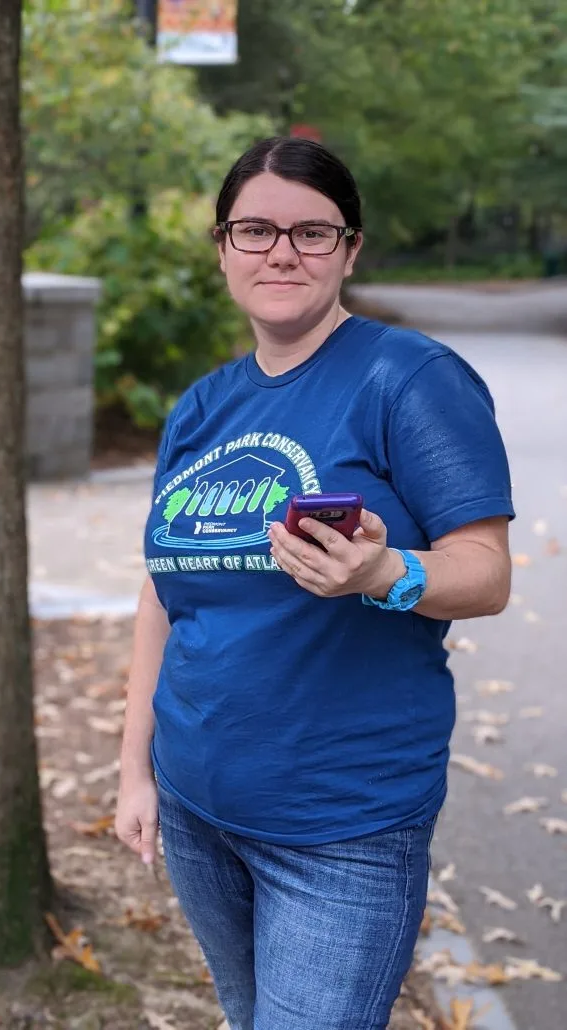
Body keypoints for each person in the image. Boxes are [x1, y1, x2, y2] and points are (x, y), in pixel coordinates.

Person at [115, 136, 514, 1030]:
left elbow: (485, 574)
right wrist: (133, 770)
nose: (281, 251)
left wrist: (383, 572)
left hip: (343, 825)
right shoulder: (201, 408)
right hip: (195, 807)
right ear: (222, 248)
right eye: (254, 229)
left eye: (311, 232)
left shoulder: (407, 379)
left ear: (350, 249)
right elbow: (161, 593)